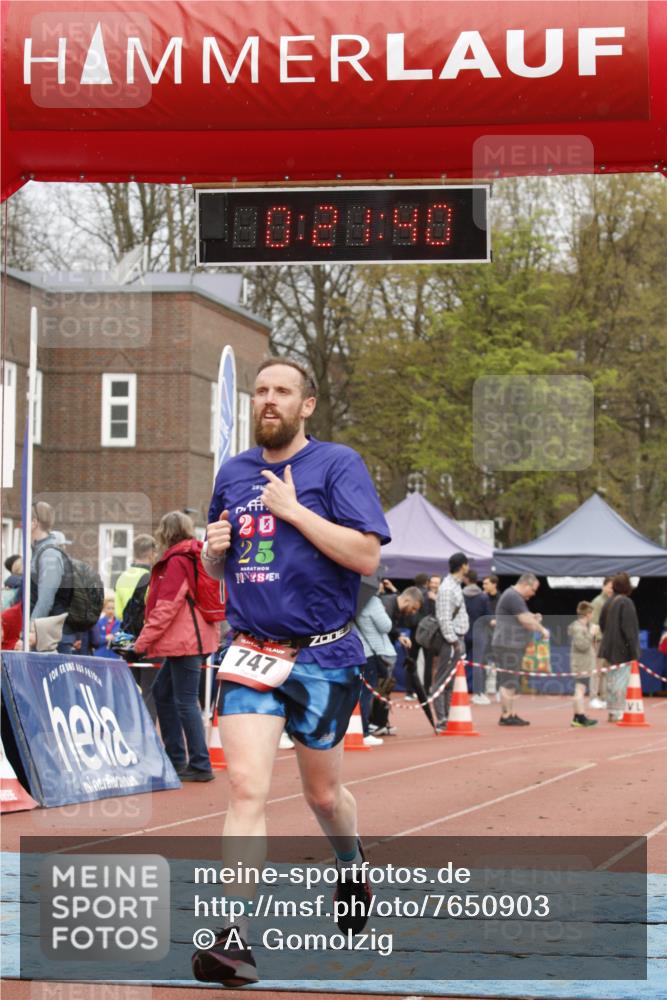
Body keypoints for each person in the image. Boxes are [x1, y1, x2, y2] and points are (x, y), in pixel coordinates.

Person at [191, 357, 390, 987]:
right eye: (260, 392)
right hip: (250, 652)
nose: (268, 401)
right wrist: (212, 555)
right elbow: (227, 568)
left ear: (306, 406)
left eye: (282, 392)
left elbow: (365, 555)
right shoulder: (233, 472)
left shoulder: (337, 465)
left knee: (323, 796)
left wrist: (297, 510)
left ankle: (351, 861)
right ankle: (233, 934)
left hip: (322, 656)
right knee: (247, 789)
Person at [129, 512, 220, 781]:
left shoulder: (177, 561)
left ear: (165, 532)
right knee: (164, 693)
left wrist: (141, 642)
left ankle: (199, 764)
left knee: (184, 701)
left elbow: (166, 607)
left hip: (185, 641)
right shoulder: (192, 556)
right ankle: (177, 757)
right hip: (191, 638)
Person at [492, 572, 549, 726]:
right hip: (507, 645)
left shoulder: (513, 597)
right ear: (526, 584)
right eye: (533, 590)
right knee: (508, 681)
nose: (533, 594)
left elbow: (525, 615)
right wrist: (542, 629)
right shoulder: (513, 596)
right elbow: (525, 620)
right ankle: (506, 715)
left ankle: (509, 713)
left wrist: (533, 617)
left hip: (509, 644)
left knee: (511, 681)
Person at [115, 534, 158, 716]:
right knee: (150, 691)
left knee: (134, 688)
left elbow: (118, 613)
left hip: (127, 640)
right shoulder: (151, 577)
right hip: (148, 641)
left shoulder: (122, 577)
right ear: (151, 553)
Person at [29, 502, 76, 653]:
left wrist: (31, 629)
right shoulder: (40, 551)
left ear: (35, 523)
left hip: (51, 637)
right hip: (48, 633)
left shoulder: (49, 554)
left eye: (25, 520)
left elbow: (46, 599)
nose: (21, 524)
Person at [431, 552, 470, 732]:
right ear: (462, 566)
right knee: (442, 680)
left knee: (450, 680)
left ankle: (446, 716)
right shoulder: (447, 588)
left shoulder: (454, 586)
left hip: (456, 638)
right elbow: (444, 618)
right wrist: (454, 641)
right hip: (452, 640)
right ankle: (441, 719)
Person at [355, 585, 396, 745]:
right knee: (368, 693)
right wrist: (383, 612)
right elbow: (386, 626)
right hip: (373, 651)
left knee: (357, 692)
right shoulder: (372, 601)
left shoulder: (351, 601)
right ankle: (364, 731)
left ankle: (358, 728)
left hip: (356, 650)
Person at [599, 572, 641, 723]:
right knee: (621, 681)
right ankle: (618, 711)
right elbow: (629, 630)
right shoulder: (626, 602)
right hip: (622, 649)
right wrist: (634, 651)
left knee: (611, 680)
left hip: (608, 647)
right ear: (627, 586)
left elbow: (602, 624)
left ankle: (612, 711)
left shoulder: (608, 602)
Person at [381, 585, 424, 699]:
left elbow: (390, 627)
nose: (413, 612)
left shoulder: (394, 606)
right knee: (379, 692)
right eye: (413, 608)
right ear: (407, 600)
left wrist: (398, 635)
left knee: (383, 692)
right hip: (378, 655)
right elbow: (383, 628)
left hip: (384, 653)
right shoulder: (387, 604)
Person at [568, 601, 599, 728]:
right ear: (588, 613)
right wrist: (591, 633)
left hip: (585, 663)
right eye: (592, 613)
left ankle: (577, 716)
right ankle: (580, 716)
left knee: (580, 688)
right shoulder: (578, 628)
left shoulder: (583, 627)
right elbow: (582, 645)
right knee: (579, 689)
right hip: (581, 664)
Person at [463, 569, 491, 705]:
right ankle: (478, 693)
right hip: (479, 634)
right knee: (477, 664)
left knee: (459, 663)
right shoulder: (483, 597)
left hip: (463, 632)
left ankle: (458, 691)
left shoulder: (461, 595)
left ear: (466, 579)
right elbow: (488, 617)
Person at [589, 576, 613, 709]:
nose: (611, 589)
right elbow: (593, 623)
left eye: (613, 587)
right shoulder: (598, 602)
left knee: (605, 671)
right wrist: (596, 640)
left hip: (607, 641)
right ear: (603, 586)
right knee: (596, 670)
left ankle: (603, 697)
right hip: (598, 641)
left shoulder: (611, 601)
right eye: (609, 586)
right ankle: (593, 698)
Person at [482, 574, 500, 697]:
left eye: (486, 583)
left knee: (499, 662)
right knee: (482, 662)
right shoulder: (482, 598)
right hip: (484, 635)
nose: (484, 586)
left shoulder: (502, 598)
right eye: (483, 584)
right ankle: (482, 690)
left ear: (494, 584)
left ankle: (499, 689)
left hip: (499, 636)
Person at [94, 592, 122, 658]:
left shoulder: (119, 623)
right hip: (100, 654)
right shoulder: (98, 622)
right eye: (108, 608)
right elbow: (96, 639)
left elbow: (120, 639)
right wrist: (106, 638)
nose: (111, 611)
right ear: (103, 609)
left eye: (113, 608)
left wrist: (115, 638)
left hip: (114, 655)